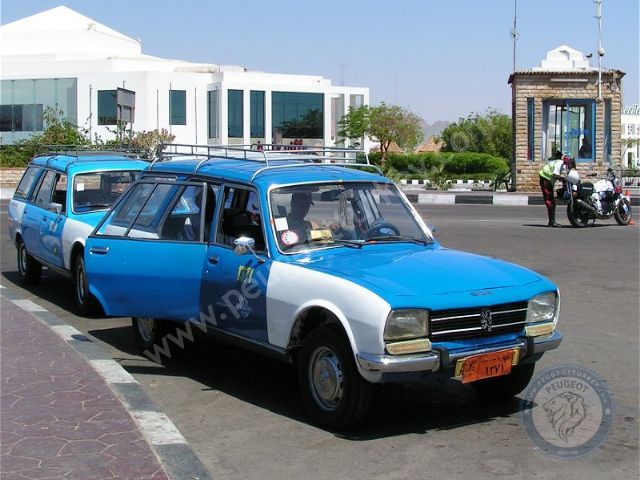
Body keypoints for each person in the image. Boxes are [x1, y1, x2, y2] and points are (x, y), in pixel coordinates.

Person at [539, 155, 575, 227]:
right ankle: (551, 222)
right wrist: (564, 179)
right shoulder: (559, 164)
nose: (570, 167)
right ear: (567, 163)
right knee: (551, 202)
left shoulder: (562, 165)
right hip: (545, 179)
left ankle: (552, 222)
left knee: (552, 202)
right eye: (570, 165)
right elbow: (555, 175)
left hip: (547, 180)